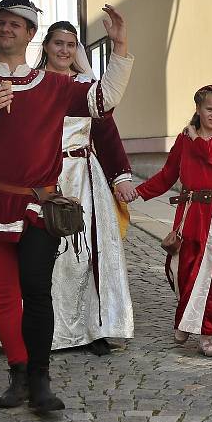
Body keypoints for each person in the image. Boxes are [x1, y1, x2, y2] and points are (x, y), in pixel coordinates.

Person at [0, 0, 133, 414]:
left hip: (40, 205)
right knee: (7, 296)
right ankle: (18, 374)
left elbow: (104, 102)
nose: (7, 29)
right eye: (1, 22)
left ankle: (42, 379)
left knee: (37, 292)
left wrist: (119, 48)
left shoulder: (56, 85)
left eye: (16, 24)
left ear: (29, 34)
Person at [36, 21, 135, 355]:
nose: (64, 50)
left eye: (71, 44)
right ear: (46, 45)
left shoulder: (85, 87)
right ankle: (49, 331)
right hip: (44, 177)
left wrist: (119, 176)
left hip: (84, 177)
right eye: (58, 43)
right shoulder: (31, 84)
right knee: (47, 255)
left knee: (89, 252)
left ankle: (96, 327)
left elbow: (106, 131)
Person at [134, 86, 212, 357]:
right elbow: (168, 174)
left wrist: (195, 139)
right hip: (189, 210)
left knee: (211, 272)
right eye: (209, 109)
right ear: (198, 109)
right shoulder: (184, 139)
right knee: (183, 267)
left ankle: (207, 335)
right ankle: (185, 319)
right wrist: (137, 192)